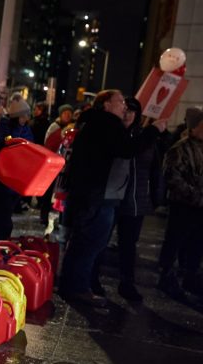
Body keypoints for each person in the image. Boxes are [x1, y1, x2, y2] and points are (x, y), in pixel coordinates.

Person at [57, 90, 135, 306]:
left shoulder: (93, 123)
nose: (124, 106)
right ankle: (78, 287)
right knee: (91, 241)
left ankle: (70, 284)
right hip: (97, 195)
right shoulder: (106, 124)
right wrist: (153, 131)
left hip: (87, 193)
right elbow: (126, 149)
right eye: (120, 101)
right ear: (106, 105)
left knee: (82, 241)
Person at [111, 99, 163, 303]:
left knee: (129, 244)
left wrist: (155, 198)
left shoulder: (146, 139)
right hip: (113, 197)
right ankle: (92, 279)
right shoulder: (115, 135)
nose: (128, 115)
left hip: (136, 199)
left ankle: (127, 282)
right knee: (100, 240)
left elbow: (155, 170)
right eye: (126, 110)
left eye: (132, 112)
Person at [156, 108, 203, 301]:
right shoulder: (180, 148)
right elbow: (172, 177)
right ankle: (167, 276)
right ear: (195, 127)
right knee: (175, 241)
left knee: (196, 245)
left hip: (200, 208)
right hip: (184, 206)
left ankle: (190, 277)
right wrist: (194, 196)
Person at [0, 98, 35, 243]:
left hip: (16, 182)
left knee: (2, 218)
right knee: (3, 219)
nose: (26, 119)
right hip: (2, 180)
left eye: (27, 115)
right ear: (17, 116)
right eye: (24, 116)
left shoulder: (26, 129)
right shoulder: (4, 128)